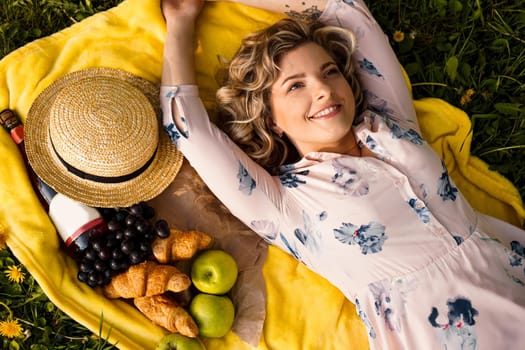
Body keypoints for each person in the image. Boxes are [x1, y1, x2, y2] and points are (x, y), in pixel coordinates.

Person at [160, 0, 525, 348]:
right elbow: (185, 126)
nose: (322, 89)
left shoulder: (390, 121)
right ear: (271, 119)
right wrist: (180, 19)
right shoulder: (283, 205)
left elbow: (344, 10)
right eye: (296, 85)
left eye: (329, 72)